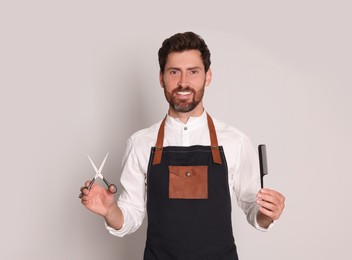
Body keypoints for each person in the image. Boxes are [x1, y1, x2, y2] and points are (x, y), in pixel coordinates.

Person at [79, 31, 285, 260]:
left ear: (208, 76)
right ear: (161, 78)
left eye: (193, 72)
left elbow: (252, 207)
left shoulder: (235, 141)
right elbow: (131, 215)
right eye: (174, 72)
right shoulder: (140, 143)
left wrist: (268, 213)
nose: (183, 82)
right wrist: (110, 211)